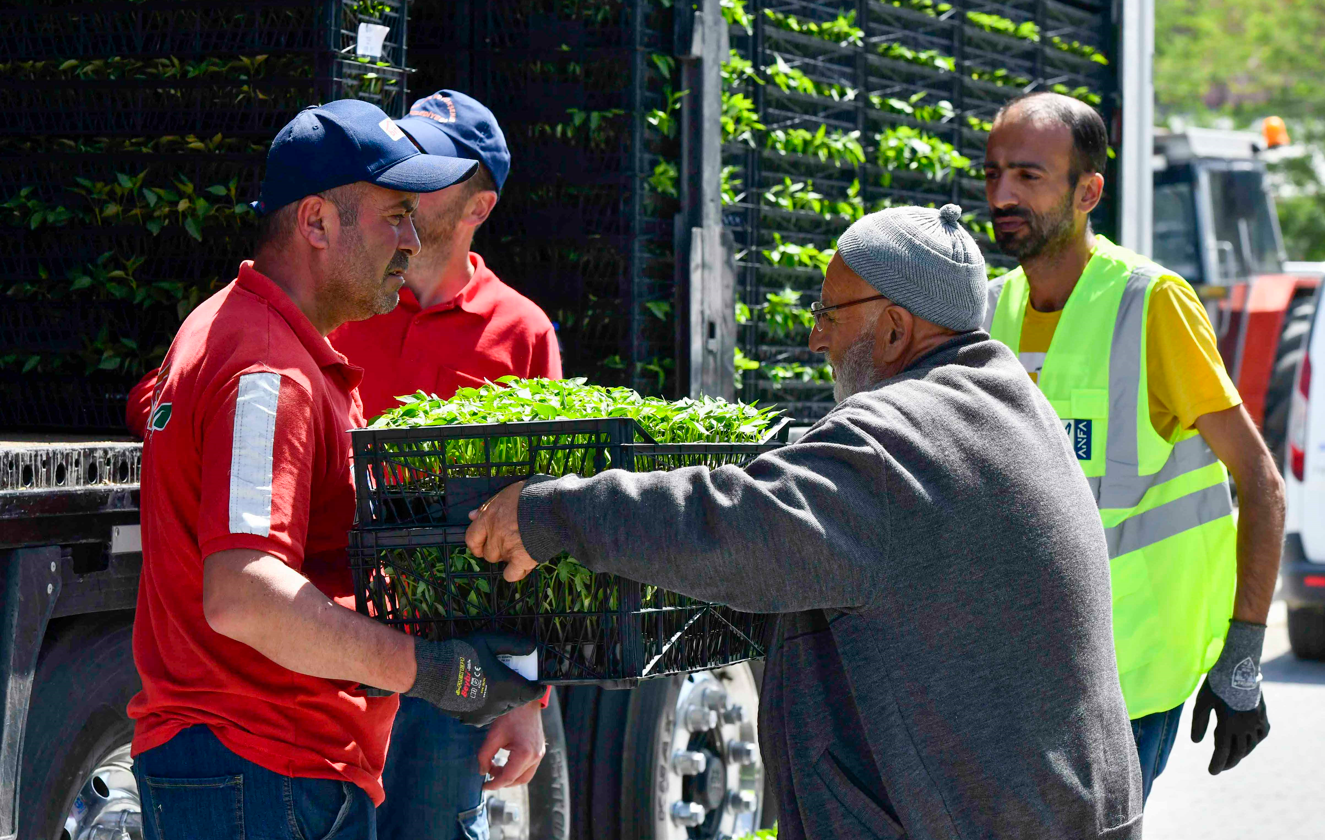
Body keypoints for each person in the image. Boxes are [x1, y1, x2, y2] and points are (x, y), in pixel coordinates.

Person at [467, 204, 1144, 838]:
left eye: (828, 312)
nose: (814, 335)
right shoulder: (1005, 404)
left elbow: (731, 529)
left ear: (894, 328)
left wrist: (551, 511)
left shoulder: (894, 442)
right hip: (1063, 809)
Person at [127, 99, 543, 840]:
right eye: (393, 216)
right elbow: (246, 596)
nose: (411, 243)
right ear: (315, 223)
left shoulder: (251, 341)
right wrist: (432, 673)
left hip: (261, 771)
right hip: (263, 770)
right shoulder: (267, 371)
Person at [981, 91, 1284, 800]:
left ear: (1088, 191)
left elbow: (1259, 481)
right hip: (1018, 676)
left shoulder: (1152, 304)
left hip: (1131, 675)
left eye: (1028, 176)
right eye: (992, 173)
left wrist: (1240, 659)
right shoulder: (989, 309)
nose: (1001, 194)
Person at [328, 90, 562, 840]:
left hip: (448, 668)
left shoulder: (521, 333)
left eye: (431, 172)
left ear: (478, 207)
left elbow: (541, 526)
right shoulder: (342, 299)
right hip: (328, 644)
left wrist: (526, 698)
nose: (407, 178)